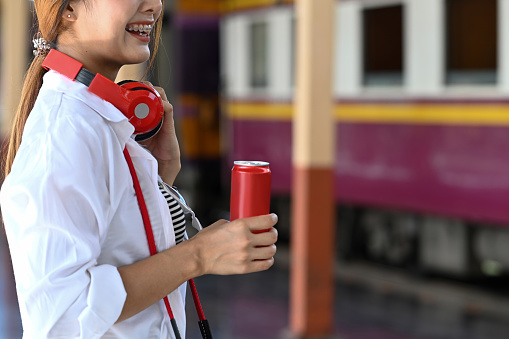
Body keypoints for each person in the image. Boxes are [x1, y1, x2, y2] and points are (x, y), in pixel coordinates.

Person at [0, 0, 278, 338]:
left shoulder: (96, 119)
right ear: (69, 7)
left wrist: (156, 179)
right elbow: (63, 317)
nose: (156, 5)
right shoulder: (66, 132)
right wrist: (199, 255)